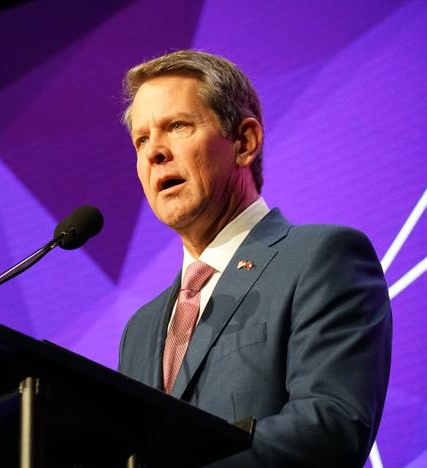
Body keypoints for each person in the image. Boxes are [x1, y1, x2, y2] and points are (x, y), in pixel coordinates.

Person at [117, 50, 392, 467]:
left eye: (177, 126)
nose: (154, 152)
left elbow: (330, 425)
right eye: (141, 139)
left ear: (244, 142)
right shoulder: (140, 330)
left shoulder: (320, 258)